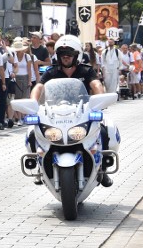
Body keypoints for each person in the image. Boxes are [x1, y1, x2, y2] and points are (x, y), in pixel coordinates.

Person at [30, 35, 111, 187]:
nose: (65, 58)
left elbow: (96, 85)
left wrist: (100, 99)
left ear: (77, 56)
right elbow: (39, 87)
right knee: (34, 132)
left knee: (105, 131)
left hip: (81, 112)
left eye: (69, 55)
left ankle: (103, 170)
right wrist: (32, 103)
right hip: (56, 114)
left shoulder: (86, 71)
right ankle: (39, 169)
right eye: (62, 55)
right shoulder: (51, 72)